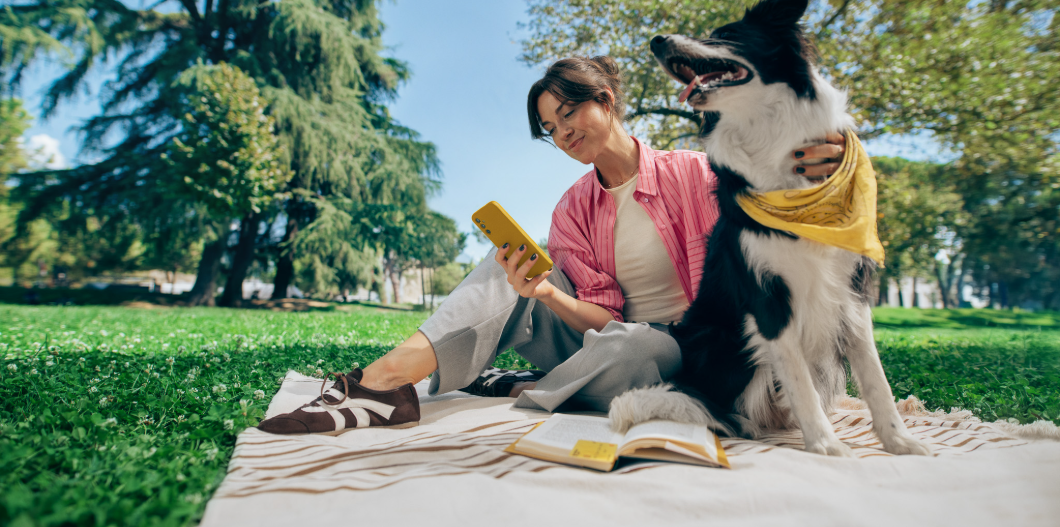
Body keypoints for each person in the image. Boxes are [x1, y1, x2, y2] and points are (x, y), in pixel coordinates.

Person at [258, 56, 845, 434]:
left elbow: (769, 203)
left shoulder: (696, 173)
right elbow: (600, 316)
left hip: (691, 344)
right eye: (551, 128)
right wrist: (543, 294)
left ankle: (521, 388)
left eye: (571, 112)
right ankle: (384, 384)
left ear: (607, 100)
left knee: (637, 351)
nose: (564, 132)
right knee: (505, 263)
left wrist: (814, 158)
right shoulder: (573, 208)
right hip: (599, 335)